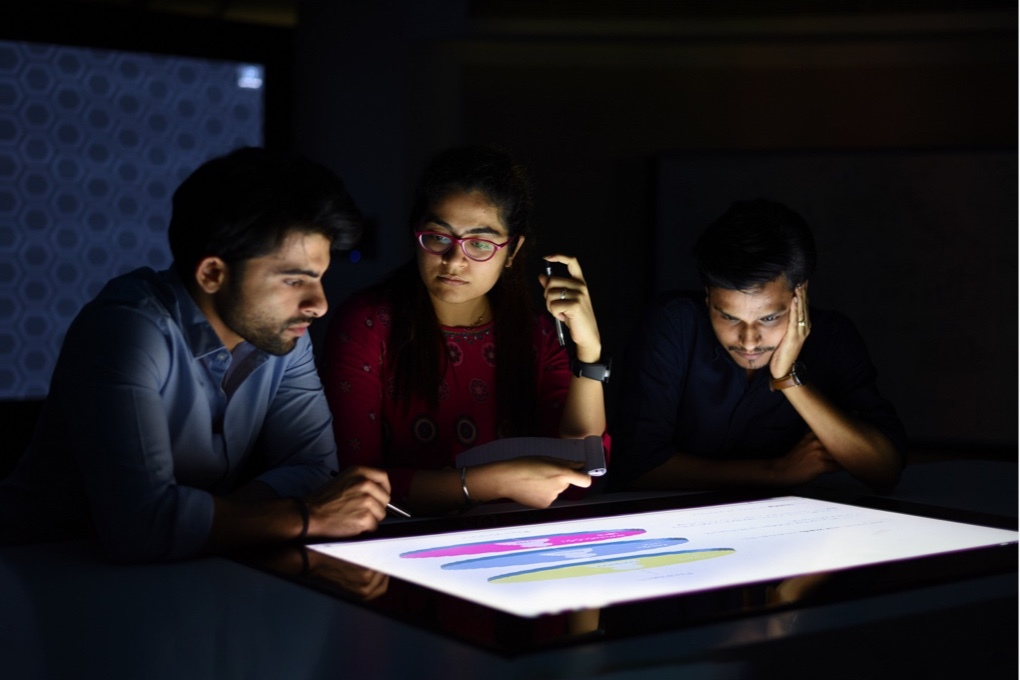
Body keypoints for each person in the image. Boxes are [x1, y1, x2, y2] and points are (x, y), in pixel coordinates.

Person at [0, 147, 392, 562]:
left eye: (320, 278)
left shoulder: (284, 333)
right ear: (212, 274)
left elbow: (314, 469)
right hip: (38, 572)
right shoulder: (125, 328)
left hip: (184, 571)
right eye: (294, 281)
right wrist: (308, 516)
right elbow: (140, 526)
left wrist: (204, 522)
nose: (319, 305)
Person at [321, 145, 609, 515]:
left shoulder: (537, 336)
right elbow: (353, 485)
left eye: (479, 243)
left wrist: (589, 352)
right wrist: (494, 482)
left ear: (512, 250)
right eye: (438, 237)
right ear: (416, 233)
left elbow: (581, 474)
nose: (455, 260)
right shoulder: (367, 325)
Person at [612, 199, 906, 494]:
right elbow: (637, 468)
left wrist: (788, 379)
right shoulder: (673, 325)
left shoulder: (833, 337)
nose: (749, 341)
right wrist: (776, 473)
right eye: (728, 317)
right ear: (708, 298)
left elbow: (884, 471)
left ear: (800, 295)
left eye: (768, 318)